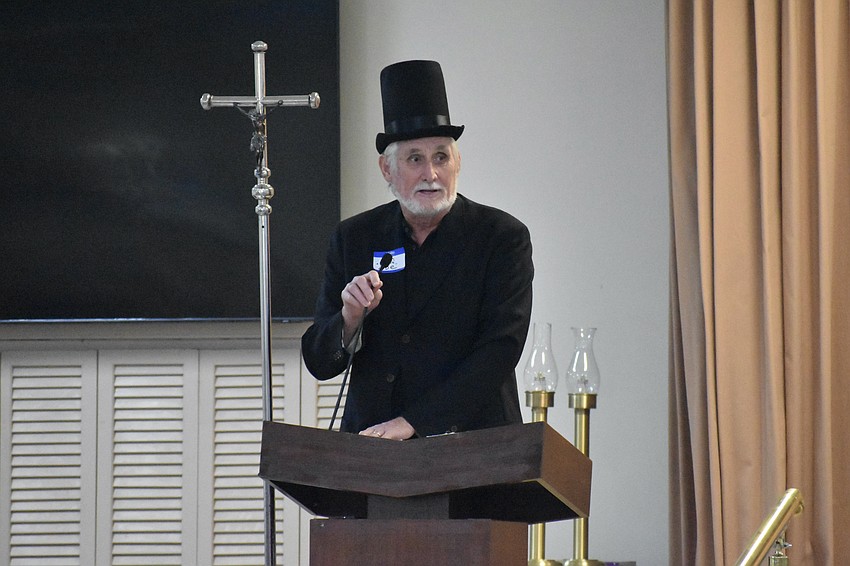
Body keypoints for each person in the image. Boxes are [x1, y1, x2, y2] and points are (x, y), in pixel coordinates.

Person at [301, 60, 533, 440]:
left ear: (457, 163)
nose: (431, 174)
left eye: (441, 157)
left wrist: (414, 424)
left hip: (474, 450)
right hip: (374, 450)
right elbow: (319, 361)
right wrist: (348, 318)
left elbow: (499, 352)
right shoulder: (355, 237)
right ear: (387, 170)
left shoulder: (501, 237)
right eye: (415, 159)